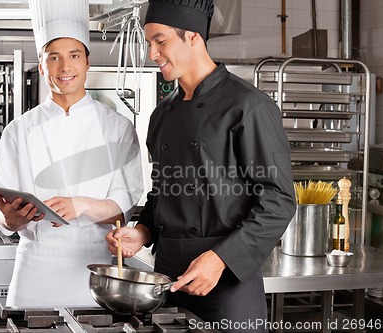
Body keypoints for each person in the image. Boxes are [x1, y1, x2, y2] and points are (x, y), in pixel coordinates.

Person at [105, 0, 296, 331]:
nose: (153, 54)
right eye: (150, 42)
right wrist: (140, 233)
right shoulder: (162, 114)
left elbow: (279, 200)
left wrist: (220, 259)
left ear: (192, 37)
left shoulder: (248, 106)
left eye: (160, 41)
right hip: (167, 283)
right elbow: (163, 194)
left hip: (227, 284)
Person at [0, 0, 143, 307]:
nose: (65, 67)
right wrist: (10, 220)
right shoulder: (18, 130)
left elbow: (123, 209)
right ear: (42, 66)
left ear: (87, 62)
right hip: (35, 267)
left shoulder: (118, 128)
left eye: (74, 55)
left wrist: (82, 205)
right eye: (53, 58)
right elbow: (0, 213)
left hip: (96, 270)